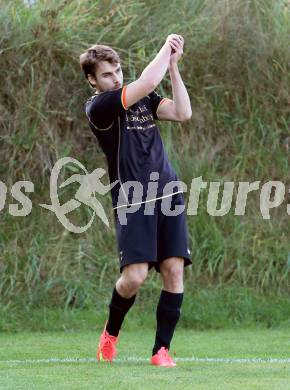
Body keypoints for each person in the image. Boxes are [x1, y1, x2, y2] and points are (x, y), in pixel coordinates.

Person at [79, 34, 192, 367]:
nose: (115, 78)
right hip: (133, 198)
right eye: (107, 74)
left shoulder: (144, 97)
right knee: (135, 278)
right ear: (92, 80)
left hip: (168, 192)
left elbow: (182, 112)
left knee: (173, 270)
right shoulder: (99, 106)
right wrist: (166, 46)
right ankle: (110, 335)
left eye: (117, 70)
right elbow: (146, 80)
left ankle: (161, 351)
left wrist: (173, 66)